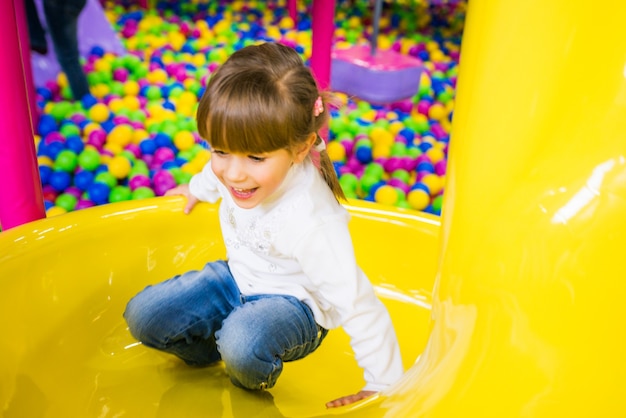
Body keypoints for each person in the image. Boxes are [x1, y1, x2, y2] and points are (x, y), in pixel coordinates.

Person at [123, 42, 404, 408]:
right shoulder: (236, 171)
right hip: (236, 279)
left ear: (300, 148)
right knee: (144, 316)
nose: (234, 173)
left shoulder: (311, 220)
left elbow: (357, 303)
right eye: (221, 150)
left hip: (296, 305)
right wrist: (196, 188)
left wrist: (385, 385)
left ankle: (246, 370)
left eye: (256, 157)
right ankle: (216, 351)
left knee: (242, 343)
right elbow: (216, 174)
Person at [24, 0, 90, 99]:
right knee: (69, 56)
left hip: (60, 5)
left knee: (68, 57)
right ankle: (37, 38)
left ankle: (84, 99)